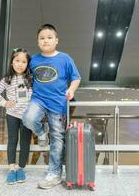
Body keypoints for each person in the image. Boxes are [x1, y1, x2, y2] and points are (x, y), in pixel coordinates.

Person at [22, 23, 81, 189]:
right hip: (38, 99)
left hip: (58, 103)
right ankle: (42, 132)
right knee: (28, 118)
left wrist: (71, 89)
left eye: (49, 37)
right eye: (42, 38)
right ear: (38, 42)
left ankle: (54, 174)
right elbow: (24, 76)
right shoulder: (33, 60)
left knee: (57, 140)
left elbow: (76, 78)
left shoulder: (65, 58)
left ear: (56, 40)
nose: (45, 40)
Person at [0, 48, 32, 185]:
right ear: (11, 62)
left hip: (27, 117)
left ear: (28, 64)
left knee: (25, 142)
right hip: (12, 115)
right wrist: (4, 102)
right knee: (12, 141)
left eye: (24, 61)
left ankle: (21, 168)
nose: (20, 64)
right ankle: (11, 169)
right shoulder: (7, 79)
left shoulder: (30, 79)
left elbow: (38, 95)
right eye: (17, 61)